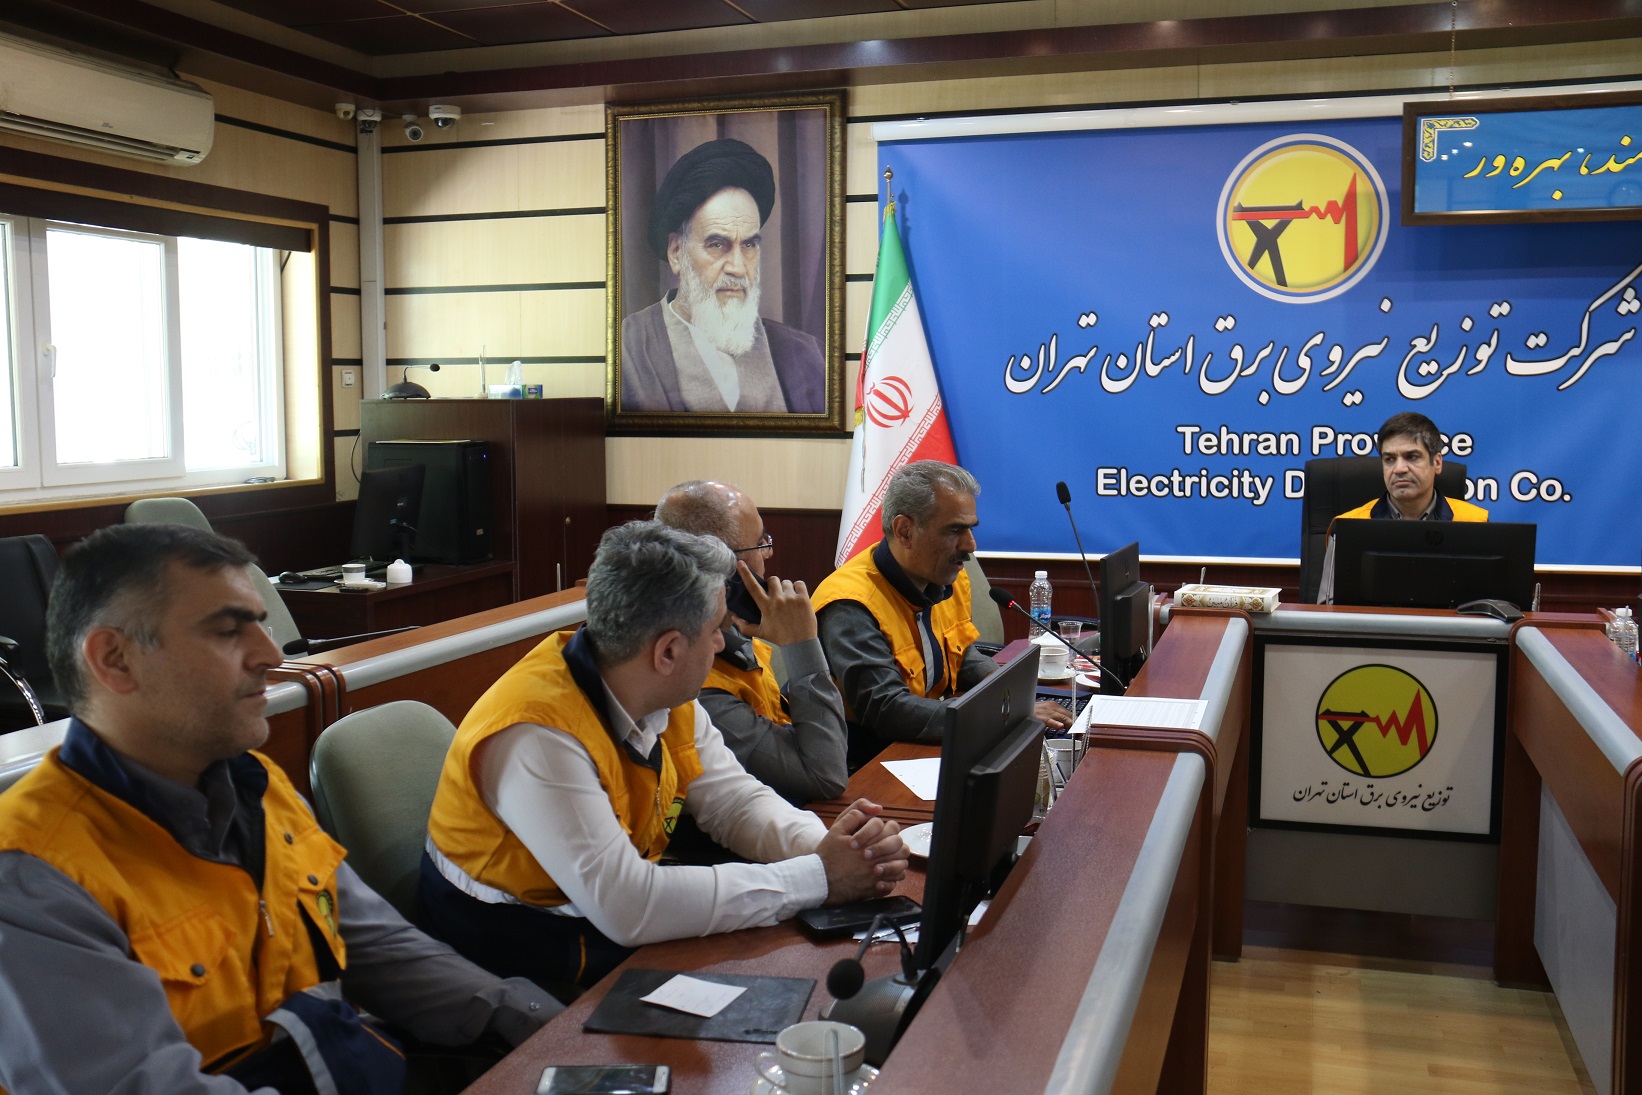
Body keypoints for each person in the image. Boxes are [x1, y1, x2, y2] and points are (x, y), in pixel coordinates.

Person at [0, 524, 559, 1095]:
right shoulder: (32, 875)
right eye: (227, 631)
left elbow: (378, 946)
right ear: (115, 660)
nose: (270, 656)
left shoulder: (256, 785)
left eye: (260, 625)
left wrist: (547, 1032)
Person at [418, 521, 907, 994]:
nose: (722, 642)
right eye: (715, 629)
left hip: (600, 914)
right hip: (519, 952)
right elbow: (629, 906)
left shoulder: (654, 688)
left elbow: (733, 802)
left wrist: (831, 850)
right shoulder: (538, 733)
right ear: (668, 651)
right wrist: (818, 877)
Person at [813, 460, 1075, 769]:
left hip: (927, 738)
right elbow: (886, 710)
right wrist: (1001, 714)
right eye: (955, 530)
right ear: (904, 531)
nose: (971, 545)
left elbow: (960, 654)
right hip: (867, 759)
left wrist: (1011, 696)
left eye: (971, 528)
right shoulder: (851, 604)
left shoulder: (943, 577)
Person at [655, 480, 848, 804]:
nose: (768, 552)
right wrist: (802, 644)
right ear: (724, 566)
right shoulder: (695, 686)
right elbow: (825, 776)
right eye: (761, 544)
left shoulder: (741, 634)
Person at [619, 137, 825, 414]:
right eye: (717, 245)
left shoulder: (807, 355)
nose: (738, 268)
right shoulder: (628, 349)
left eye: (749, 245)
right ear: (676, 252)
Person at [1316, 410, 1489, 604]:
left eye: (1412, 457)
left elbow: (1486, 604)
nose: (1399, 469)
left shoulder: (1475, 523)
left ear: (1437, 462)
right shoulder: (1347, 527)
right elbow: (1327, 608)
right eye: (1389, 459)